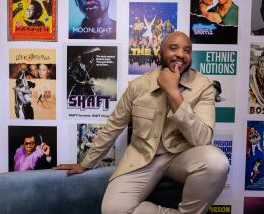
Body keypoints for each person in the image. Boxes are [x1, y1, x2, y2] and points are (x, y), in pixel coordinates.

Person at [55, 31, 229, 214]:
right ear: (160, 53)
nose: (180, 54)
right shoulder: (138, 86)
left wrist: (174, 94)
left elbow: (202, 139)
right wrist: (85, 163)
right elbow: (113, 127)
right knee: (112, 209)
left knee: (217, 162)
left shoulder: (203, 86)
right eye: (173, 48)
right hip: (143, 158)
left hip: (181, 156)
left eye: (187, 50)